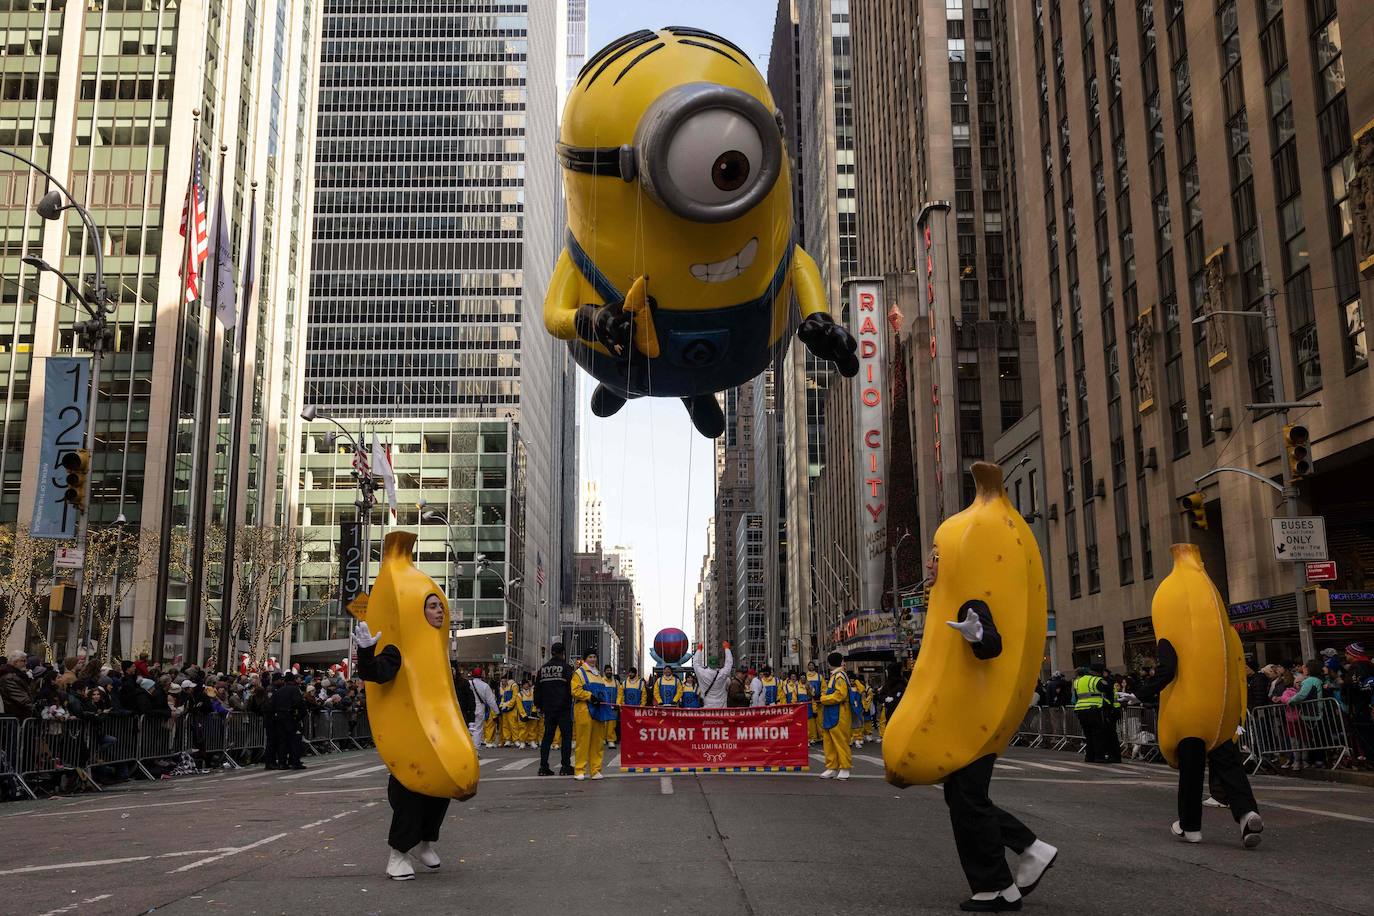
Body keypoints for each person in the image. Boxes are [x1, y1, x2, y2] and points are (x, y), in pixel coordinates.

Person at [937, 602, 1058, 912]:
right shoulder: (948, 601)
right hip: (968, 720)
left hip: (975, 721)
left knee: (969, 800)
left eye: (935, 556)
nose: (929, 563)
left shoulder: (971, 602)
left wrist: (977, 634)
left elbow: (992, 644)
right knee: (963, 800)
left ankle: (1021, 857)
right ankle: (999, 886)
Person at [1132, 638, 1263, 849]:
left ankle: (1190, 826)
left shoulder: (1171, 637)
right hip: (1219, 713)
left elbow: (1167, 670)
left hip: (1189, 714)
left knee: (1191, 772)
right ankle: (1247, 813)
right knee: (1230, 767)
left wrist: (1139, 694)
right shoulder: (1220, 634)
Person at [353, 613, 452, 881]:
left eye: (439, 606)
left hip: (438, 735)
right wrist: (365, 652)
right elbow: (376, 672)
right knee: (408, 795)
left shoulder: (436, 650)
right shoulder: (400, 648)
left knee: (441, 790)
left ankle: (424, 842)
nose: (439, 612)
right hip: (409, 736)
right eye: (431, 607)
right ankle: (398, 854)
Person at [570, 650, 615, 780]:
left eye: (595, 656)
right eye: (590, 657)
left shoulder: (598, 674)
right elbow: (575, 690)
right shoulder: (579, 673)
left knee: (597, 741)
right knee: (583, 741)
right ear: (585, 659)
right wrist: (589, 696)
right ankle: (579, 770)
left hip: (598, 710)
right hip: (584, 709)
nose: (593, 659)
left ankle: (595, 770)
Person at [535, 643, 574, 777]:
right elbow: (571, 688)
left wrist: (539, 706)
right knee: (566, 737)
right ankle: (565, 766)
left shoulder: (543, 669)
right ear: (563, 653)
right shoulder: (566, 668)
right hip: (563, 708)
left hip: (548, 709)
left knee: (547, 738)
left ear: (552, 652)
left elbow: (537, 689)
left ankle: (543, 766)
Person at [1072, 663, 1117, 763]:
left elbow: (1077, 696)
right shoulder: (1097, 680)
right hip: (1094, 709)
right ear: (1100, 671)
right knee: (1098, 734)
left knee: (1088, 734)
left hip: (1080, 710)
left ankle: (1089, 757)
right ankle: (1099, 757)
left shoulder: (1078, 681)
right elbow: (1109, 691)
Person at [818, 652, 853, 779]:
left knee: (840, 741)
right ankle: (831, 767)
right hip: (831, 713)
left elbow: (840, 695)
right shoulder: (835, 676)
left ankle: (844, 767)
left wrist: (824, 699)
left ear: (829, 663)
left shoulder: (839, 676)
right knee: (829, 741)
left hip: (839, 713)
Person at [268, 671, 306, 770]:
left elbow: (272, 704)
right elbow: (299, 703)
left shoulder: (279, 691)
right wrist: (300, 716)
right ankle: (295, 762)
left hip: (279, 717)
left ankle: (282, 762)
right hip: (291, 717)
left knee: (282, 741)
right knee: (294, 740)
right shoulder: (295, 689)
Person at [689, 641, 733, 708]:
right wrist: (727, 649)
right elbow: (729, 663)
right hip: (722, 707)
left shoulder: (702, 673)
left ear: (708, 663)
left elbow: (696, 663)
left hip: (708, 707)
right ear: (718, 663)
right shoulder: (722, 673)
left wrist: (699, 650)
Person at [469, 668, 499, 750]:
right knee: (478, 729)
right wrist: (497, 712)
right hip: (479, 709)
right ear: (481, 675)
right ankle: (475, 749)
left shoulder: (468, 683)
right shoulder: (485, 686)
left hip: (469, 709)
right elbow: (491, 701)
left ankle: (468, 747)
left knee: (468, 729)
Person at [0, 651, 34, 720]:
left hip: (19, 716)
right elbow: (21, 697)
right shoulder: (9, 677)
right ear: (15, 662)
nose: (26, 663)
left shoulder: (20, 676)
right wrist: (34, 709)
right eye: (23, 661)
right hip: (12, 717)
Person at [499, 676, 520, 748]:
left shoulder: (514, 685)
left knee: (513, 724)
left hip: (512, 709)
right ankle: (507, 740)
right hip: (505, 708)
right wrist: (502, 705)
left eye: (504, 681)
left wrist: (509, 705)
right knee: (505, 725)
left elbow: (515, 697)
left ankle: (516, 740)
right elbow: (503, 698)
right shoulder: (506, 686)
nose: (503, 683)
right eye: (502, 681)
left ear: (507, 680)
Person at [806, 661, 823, 744]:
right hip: (809, 701)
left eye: (812, 665)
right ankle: (813, 737)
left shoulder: (820, 677)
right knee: (811, 721)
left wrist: (821, 697)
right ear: (808, 667)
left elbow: (824, 688)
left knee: (820, 719)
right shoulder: (805, 677)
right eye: (810, 665)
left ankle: (822, 736)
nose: (811, 666)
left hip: (818, 700)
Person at [603, 666, 620, 748]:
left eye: (610, 670)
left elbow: (619, 694)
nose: (609, 672)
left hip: (613, 706)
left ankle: (611, 740)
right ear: (604, 672)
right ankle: (602, 738)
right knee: (603, 723)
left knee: (612, 724)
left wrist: (617, 704)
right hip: (603, 706)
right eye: (607, 670)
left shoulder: (616, 682)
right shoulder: (601, 681)